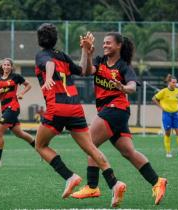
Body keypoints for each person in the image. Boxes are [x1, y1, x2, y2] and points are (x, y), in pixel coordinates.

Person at [34, 23, 126, 207]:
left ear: (39, 40)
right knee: (91, 148)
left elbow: (49, 64)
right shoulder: (63, 55)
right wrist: (85, 50)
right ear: (56, 39)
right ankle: (114, 183)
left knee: (40, 145)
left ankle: (70, 176)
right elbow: (84, 71)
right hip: (75, 107)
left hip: (56, 107)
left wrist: (50, 77)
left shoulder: (42, 56)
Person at [71, 32, 167, 205]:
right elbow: (84, 72)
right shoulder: (99, 61)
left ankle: (93, 186)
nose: (105, 45)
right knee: (128, 152)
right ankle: (157, 181)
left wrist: (123, 87)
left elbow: (131, 87)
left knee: (89, 143)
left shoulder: (124, 67)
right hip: (115, 113)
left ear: (118, 46)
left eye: (108, 43)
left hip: (116, 109)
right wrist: (86, 51)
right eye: (104, 43)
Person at [0, 58, 35, 166]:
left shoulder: (16, 77)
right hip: (4, 108)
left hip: (13, 107)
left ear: (11, 67)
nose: (7, 66)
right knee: (19, 133)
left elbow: (29, 85)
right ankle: (40, 147)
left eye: (9, 65)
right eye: (5, 65)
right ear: (2, 66)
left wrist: (22, 93)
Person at [152, 74, 178, 158]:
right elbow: (154, 98)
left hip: (175, 114)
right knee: (167, 133)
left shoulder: (177, 91)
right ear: (169, 83)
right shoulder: (163, 91)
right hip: (166, 114)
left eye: (176, 83)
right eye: (173, 82)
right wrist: (161, 107)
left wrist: (177, 104)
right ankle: (168, 152)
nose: (175, 84)